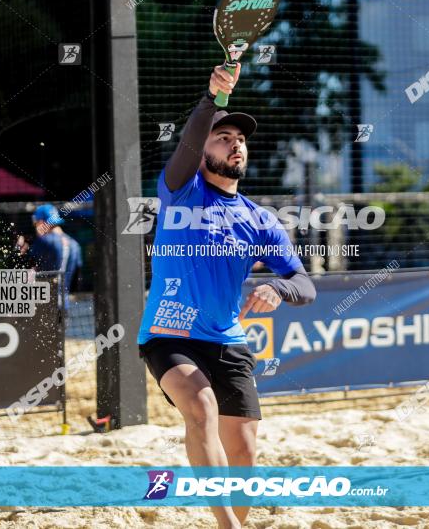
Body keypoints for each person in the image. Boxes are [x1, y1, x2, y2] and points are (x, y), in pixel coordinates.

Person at [137, 64, 316, 529]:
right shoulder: (180, 189)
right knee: (201, 408)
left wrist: (278, 288)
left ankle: (232, 520)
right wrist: (213, 99)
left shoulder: (260, 219)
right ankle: (228, 527)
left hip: (227, 339)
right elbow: (189, 140)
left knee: (245, 449)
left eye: (240, 138)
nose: (235, 143)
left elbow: (304, 283)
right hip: (168, 331)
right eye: (223, 137)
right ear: (202, 153)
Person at [16, 204, 82, 307]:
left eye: (36, 224)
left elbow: (27, 263)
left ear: (41, 223)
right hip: (64, 305)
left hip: (46, 306)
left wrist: (21, 248)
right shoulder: (75, 245)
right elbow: (76, 281)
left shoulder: (45, 241)